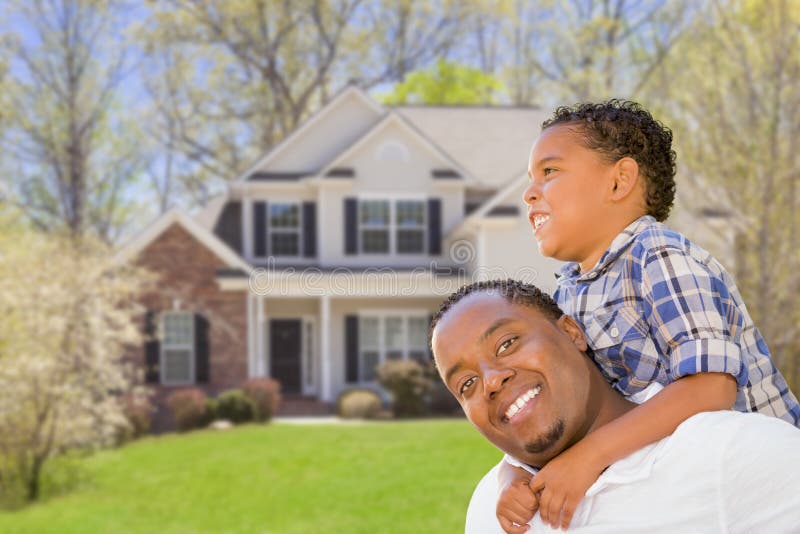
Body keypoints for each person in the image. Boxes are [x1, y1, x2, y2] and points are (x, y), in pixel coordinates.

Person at [487, 100, 800, 531]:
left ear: (619, 181)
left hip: (754, 490)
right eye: (531, 179)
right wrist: (512, 477)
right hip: (672, 484)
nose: (529, 192)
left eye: (550, 172)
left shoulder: (659, 257)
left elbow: (711, 388)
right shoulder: (567, 293)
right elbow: (566, 405)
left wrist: (590, 456)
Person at [429, 279, 800, 533]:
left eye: (507, 343)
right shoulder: (489, 507)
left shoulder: (732, 454)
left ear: (572, 333)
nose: (491, 380)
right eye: (467, 384)